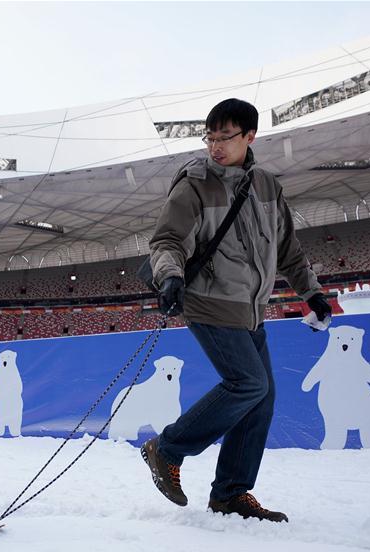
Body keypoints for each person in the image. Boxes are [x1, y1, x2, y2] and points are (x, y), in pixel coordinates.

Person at [141, 98, 332, 523]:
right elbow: (167, 241)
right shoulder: (195, 184)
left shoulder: (267, 186)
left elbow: (288, 250)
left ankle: (230, 493)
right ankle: (168, 448)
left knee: (262, 399)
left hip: (250, 308)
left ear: (249, 136)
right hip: (209, 301)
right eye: (209, 138)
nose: (214, 147)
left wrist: (311, 293)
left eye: (224, 138)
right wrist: (169, 276)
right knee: (247, 383)